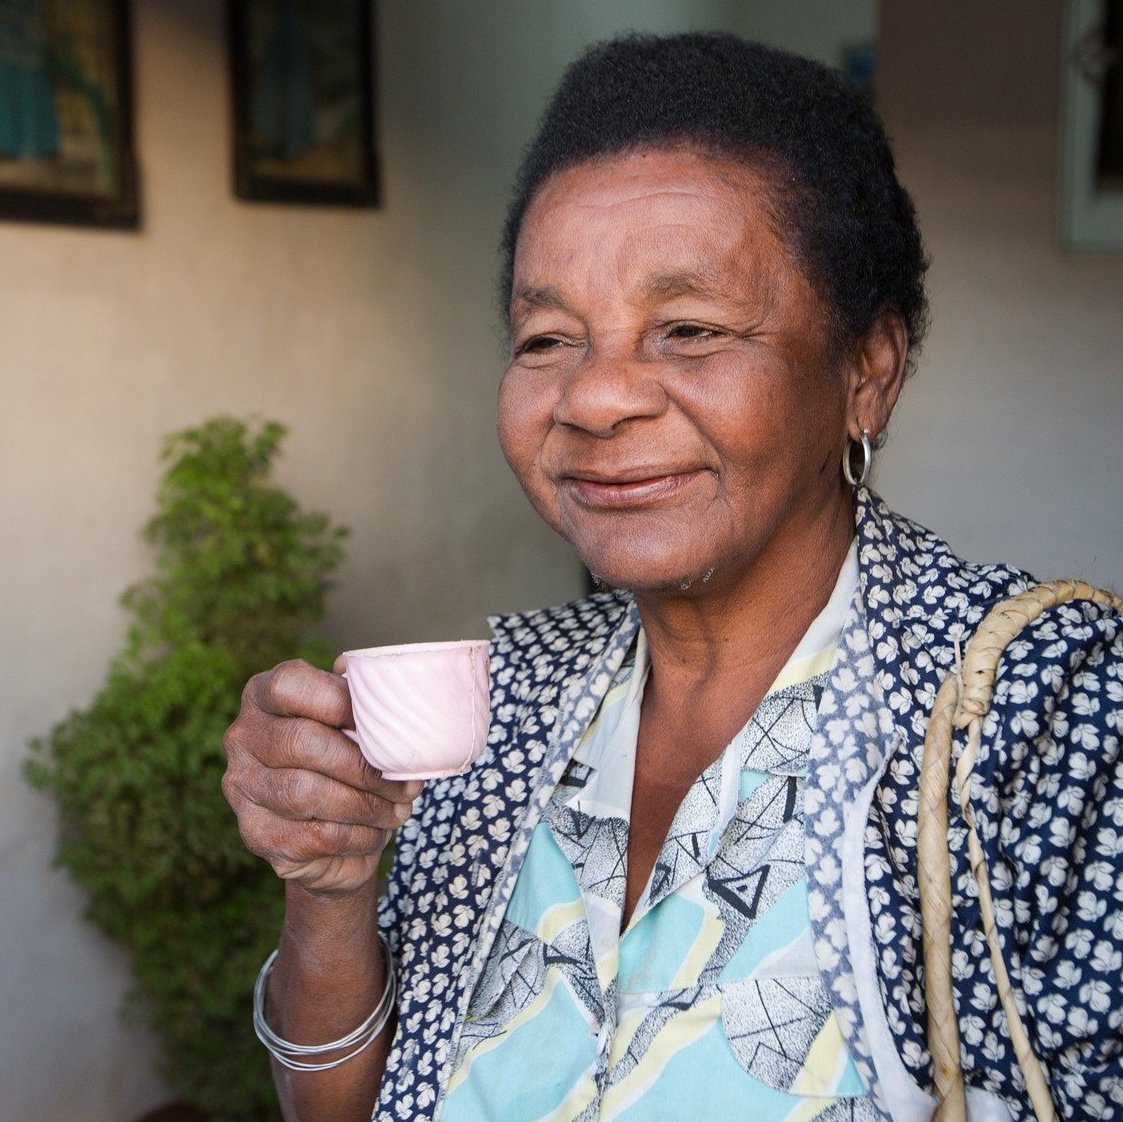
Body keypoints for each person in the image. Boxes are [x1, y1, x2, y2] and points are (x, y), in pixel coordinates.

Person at [222, 32, 1123, 1122]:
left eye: (688, 330)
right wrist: (331, 883)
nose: (595, 398)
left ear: (865, 374)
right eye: (546, 337)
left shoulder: (1050, 719)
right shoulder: (496, 708)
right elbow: (340, 1108)